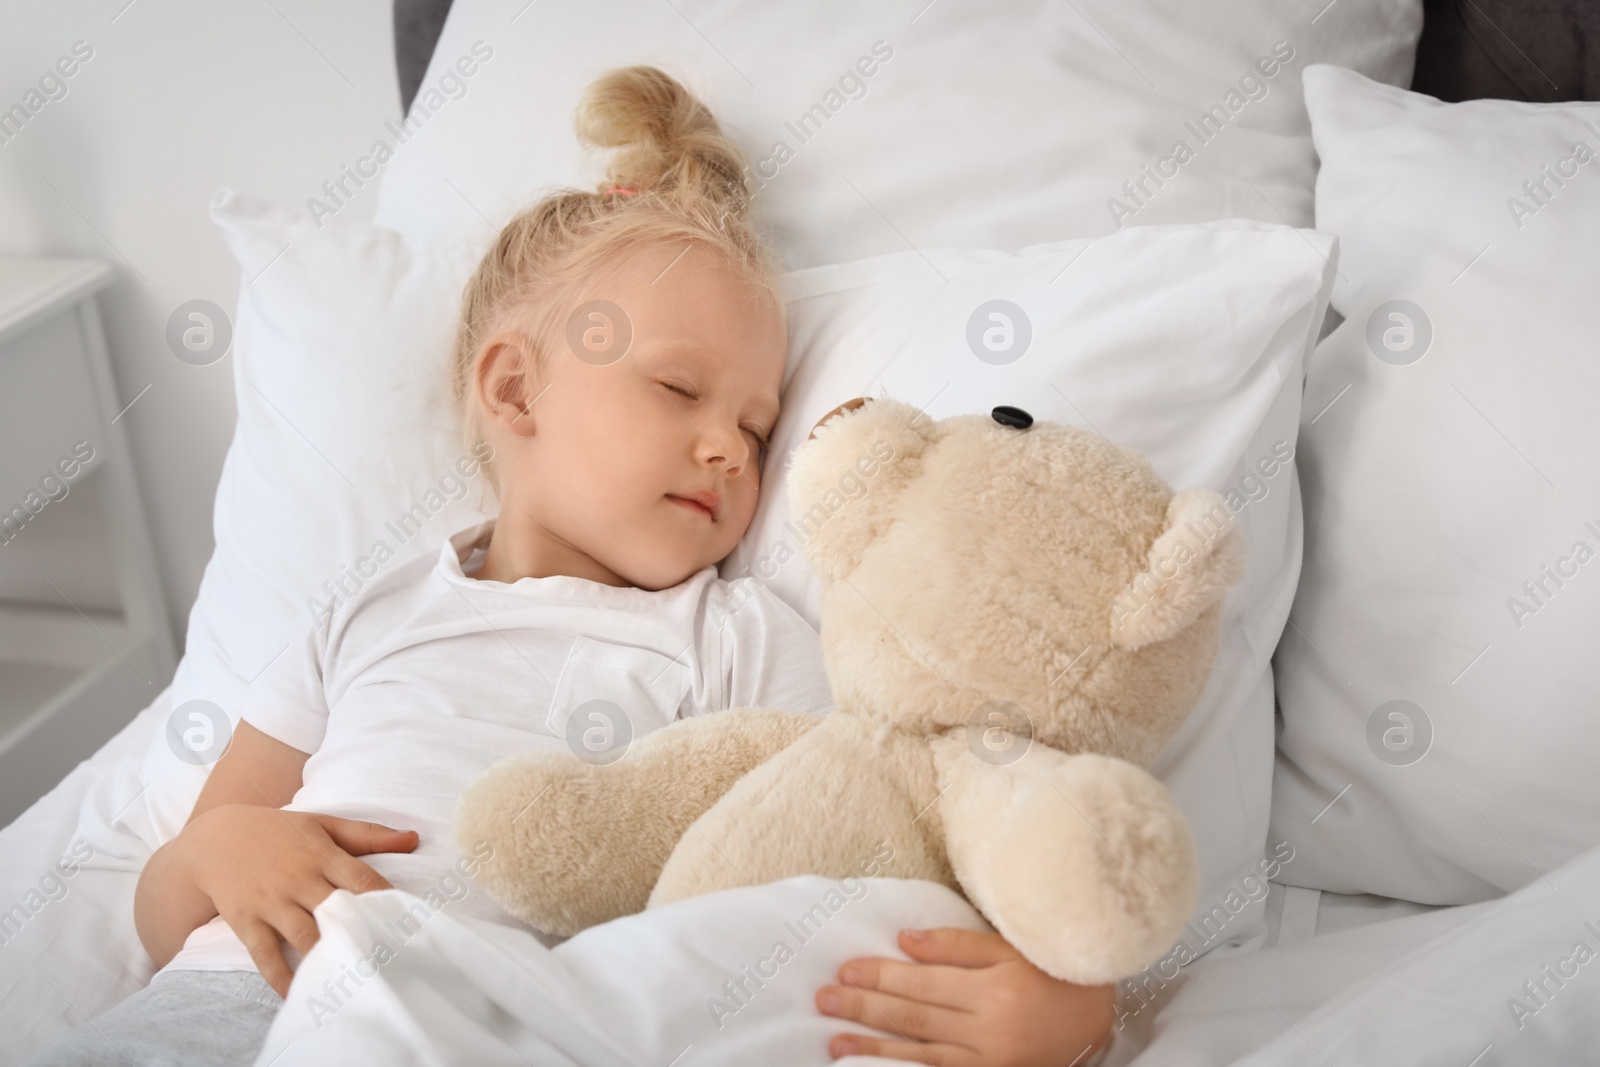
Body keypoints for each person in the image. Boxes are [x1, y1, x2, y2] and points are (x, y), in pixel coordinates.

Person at [28, 66, 1114, 1067]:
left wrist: (1069, 1008)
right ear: (514, 392)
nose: (731, 448)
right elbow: (177, 889)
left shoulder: (734, 637)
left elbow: (875, 836)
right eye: (678, 390)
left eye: (756, 422)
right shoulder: (364, 611)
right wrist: (218, 853)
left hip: (486, 1016)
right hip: (220, 1001)